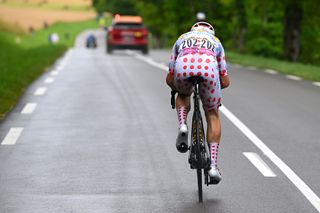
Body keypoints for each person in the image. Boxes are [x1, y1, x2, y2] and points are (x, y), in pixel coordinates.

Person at [166, 21, 230, 184]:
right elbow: (225, 80)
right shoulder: (216, 41)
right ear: (210, 32)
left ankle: (182, 124)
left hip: (183, 70)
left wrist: (179, 88)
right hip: (208, 71)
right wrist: (215, 87)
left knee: (182, 94)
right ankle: (214, 167)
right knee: (212, 114)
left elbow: (169, 77)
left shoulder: (181, 38)